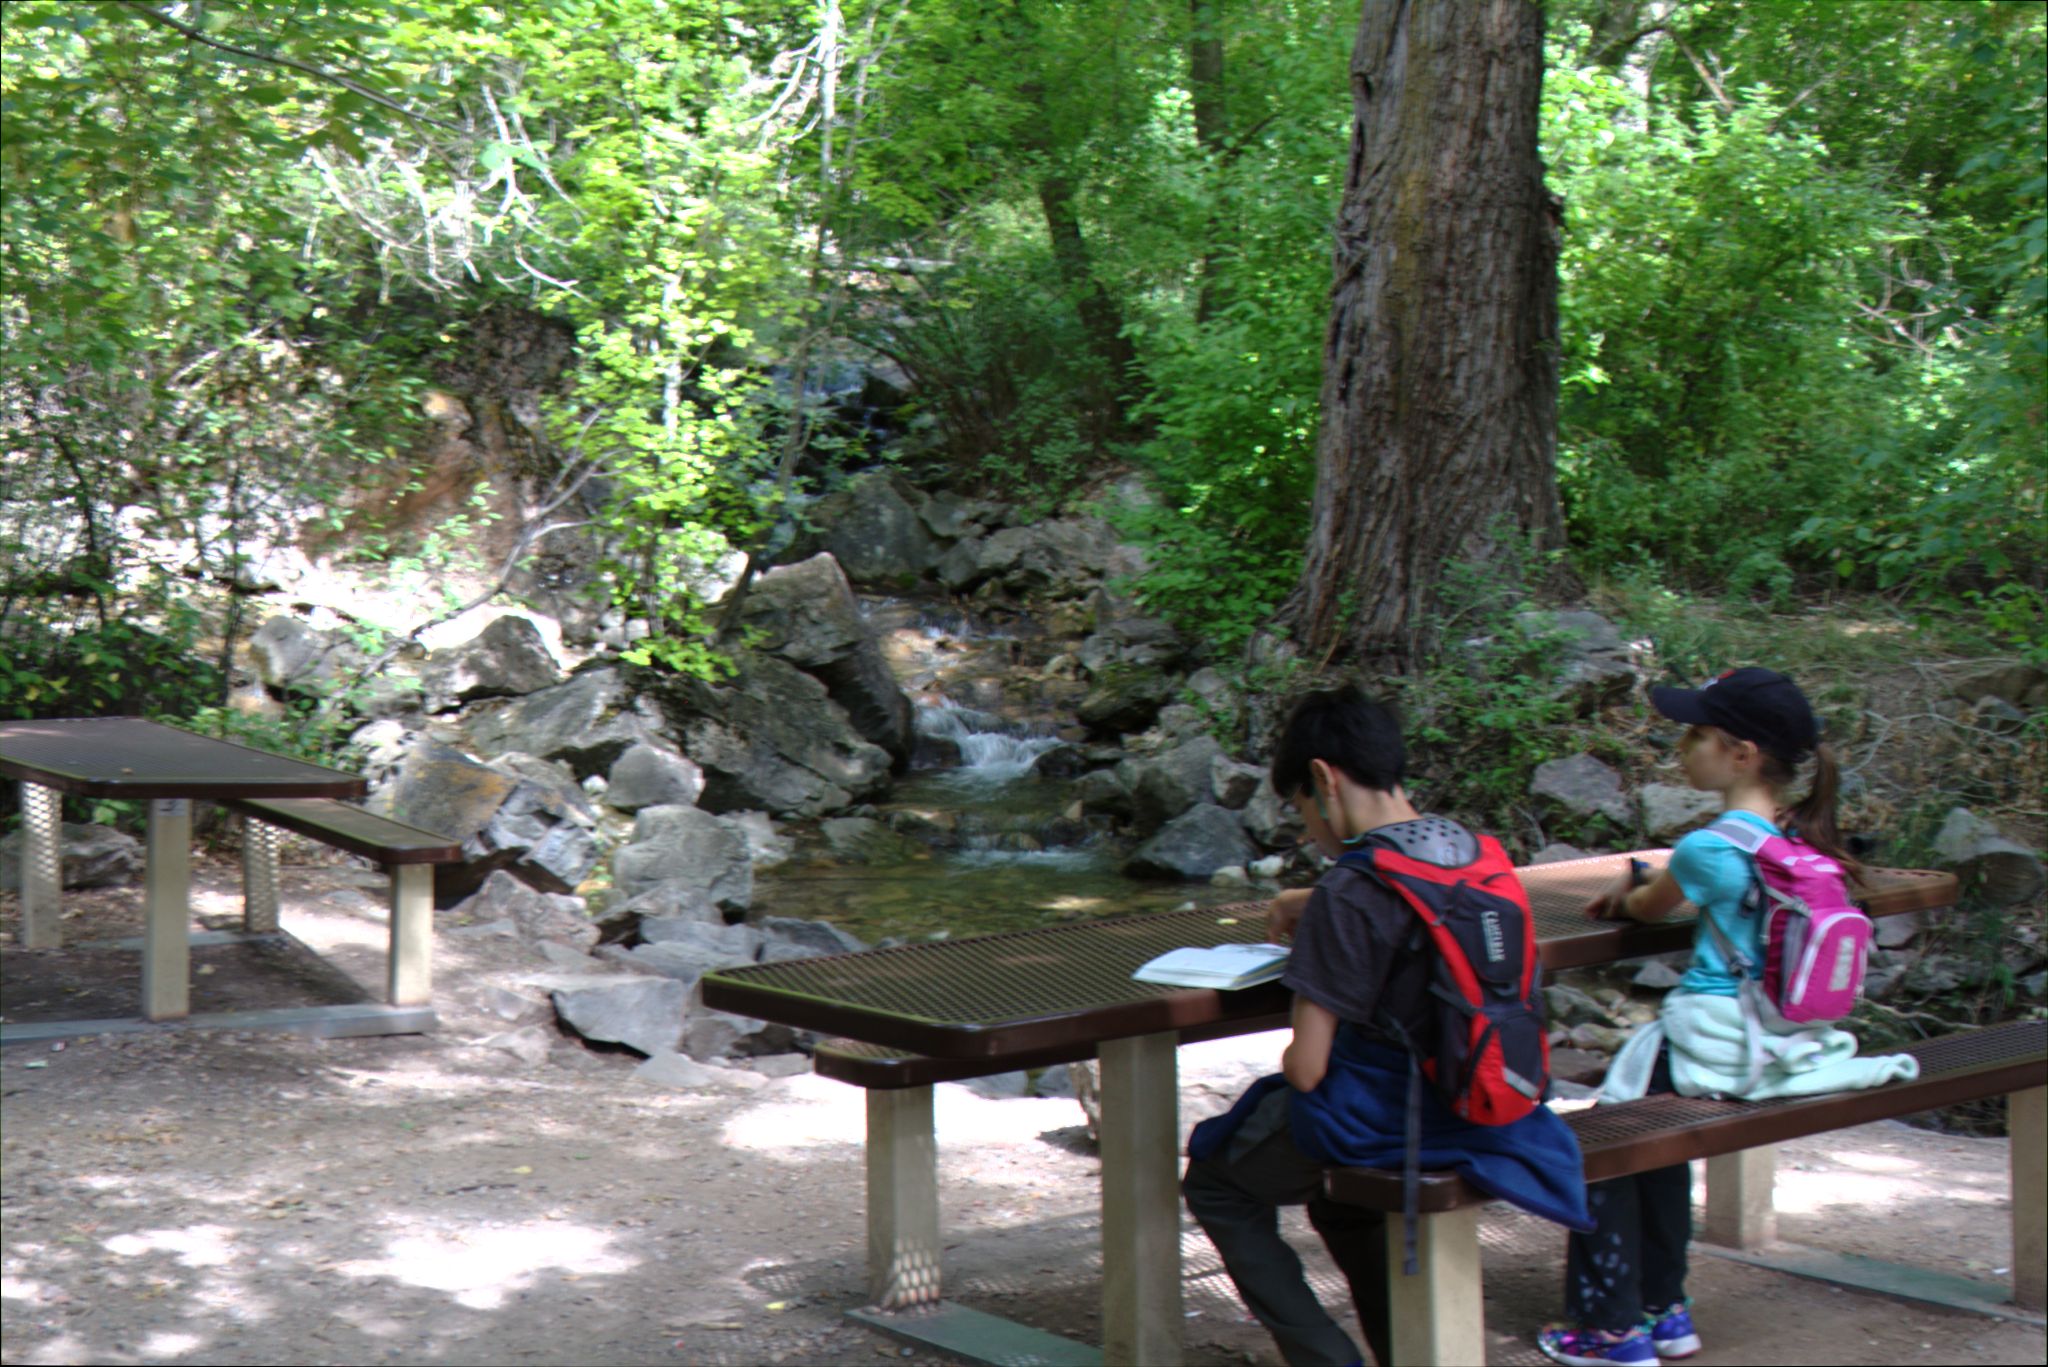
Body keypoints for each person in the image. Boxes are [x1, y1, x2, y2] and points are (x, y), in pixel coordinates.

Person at [1182, 686, 1591, 1367]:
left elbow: (1308, 1068)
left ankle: (1326, 1358)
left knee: (1215, 1177)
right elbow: (1417, 906)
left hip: (1396, 1119)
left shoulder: (1349, 890)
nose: (1309, 827)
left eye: (1302, 809)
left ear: (1324, 779)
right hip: (1498, 1104)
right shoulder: (1485, 858)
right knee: (1342, 1205)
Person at [1536, 667, 1917, 1367]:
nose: (1683, 746)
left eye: (1696, 734)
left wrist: (1632, 890)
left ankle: (1610, 1328)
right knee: (1653, 1134)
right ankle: (1664, 1307)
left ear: (1740, 754)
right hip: (1785, 1036)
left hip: (1718, 1039)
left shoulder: (1708, 847)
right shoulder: (1802, 846)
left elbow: (1648, 906)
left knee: (1599, 1142)